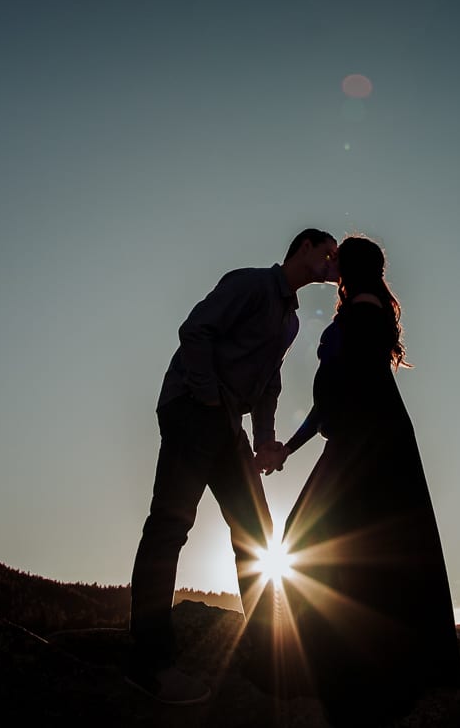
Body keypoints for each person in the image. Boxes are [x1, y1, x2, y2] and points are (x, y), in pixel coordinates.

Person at [126, 228, 338, 705]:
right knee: (170, 526)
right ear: (303, 248)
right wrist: (205, 397)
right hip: (194, 408)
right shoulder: (249, 284)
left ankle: (266, 660)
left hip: (228, 428)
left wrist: (264, 440)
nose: (331, 264)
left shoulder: (290, 321)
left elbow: (269, 385)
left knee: (257, 532)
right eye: (327, 253)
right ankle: (150, 662)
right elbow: (195, 330)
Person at [277, 235, 460, 718]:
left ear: (352, 266)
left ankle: (337, 668)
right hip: (366, 444)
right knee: (339, 544)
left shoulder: (363, 312)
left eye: (337, 257)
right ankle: (342, 662)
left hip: (368, 447)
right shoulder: (363, 311)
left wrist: (293, 446)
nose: (330, 262)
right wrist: (289, 449)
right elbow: (330, 402)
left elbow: (336, 395)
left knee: (319, 540)